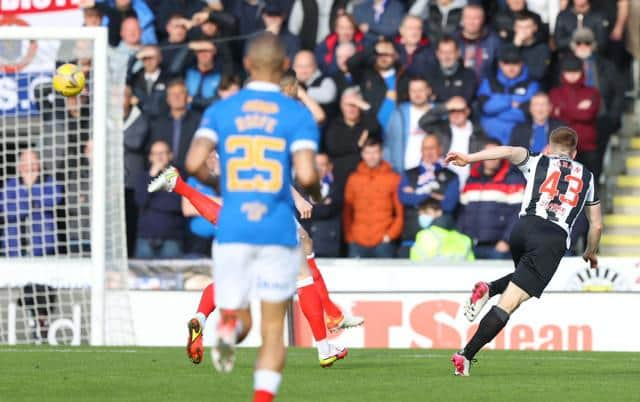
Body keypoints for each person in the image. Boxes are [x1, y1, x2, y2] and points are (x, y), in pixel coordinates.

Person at [179, 32, 328, 400]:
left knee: (239, 315)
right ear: (282, 68)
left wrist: (224, 181)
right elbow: (308, 175)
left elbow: (194, 163)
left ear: (247, 65)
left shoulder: (221, 110)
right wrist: (318, 192)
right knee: (273, 329)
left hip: (233, 227)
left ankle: (228, 328)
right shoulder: (295, 113)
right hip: (276, 229)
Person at [446, 127, 602, 376]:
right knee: (510, 302)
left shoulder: (538, 160)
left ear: (549, 148)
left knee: (520, 281)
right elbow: (596, 224)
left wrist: (468, 158)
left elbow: (507, 151)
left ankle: (490, 288)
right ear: (575, 152)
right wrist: (592, 251)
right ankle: (465, 355)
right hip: (552, 237)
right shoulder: (588, 176)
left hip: (522, 228)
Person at [457, 139, 526, 259]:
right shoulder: (471, 179)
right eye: (488, 154)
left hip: (498, 248)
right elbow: (462, 213)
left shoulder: (513, 180)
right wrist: (461, 237)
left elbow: (518, 215)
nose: (491, 158)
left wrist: (506, 240)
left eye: (496, 154)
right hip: (470, 246)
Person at [570, 28, 625, 164]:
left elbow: (618, 93)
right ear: (573, 45)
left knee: (595, 164)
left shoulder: (606, 65)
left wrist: (612, 118)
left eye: (587, 42)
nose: (582, 46)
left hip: (600, 120)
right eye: (578, 42)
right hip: (572, 122)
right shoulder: (563, 65)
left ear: (593, 45)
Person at [397, 134, 459, 256]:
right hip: (411, 239)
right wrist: (432, 195)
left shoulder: (451, 176)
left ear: (440, 149)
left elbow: (449, 204)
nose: (429, 152)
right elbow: (404, 198)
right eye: (426, 148)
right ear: (421, 150)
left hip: (440, 243)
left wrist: (417, 193)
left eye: (432, 148)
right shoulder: (409, 174)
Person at [343, 137, 403, 258]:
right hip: (357, 241)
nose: (371, 157)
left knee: (385, 277)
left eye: (375, 152)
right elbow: (347, 211)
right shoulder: (353, 178)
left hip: (383, 241)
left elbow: (400, 213)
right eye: (368, 153)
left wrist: (390, 235)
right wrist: (350, 236)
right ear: (362, 154)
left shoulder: (393, 178)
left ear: (381, 153)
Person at [0, 149, 63, 257]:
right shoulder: (11, 184)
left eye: (33, 163)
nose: (29, 167)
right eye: (25, 163)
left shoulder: (49, 181)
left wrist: (31, 188)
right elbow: (4, 208)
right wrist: (32, 204)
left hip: (43, 247)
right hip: (13, 247)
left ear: (39, 165)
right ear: (19, 166)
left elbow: (54, 199)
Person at [549, 55, 602, 182]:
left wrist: (563, 110)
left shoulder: (592, 92)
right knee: (563, 186)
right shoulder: (555, 93)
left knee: (589, 186)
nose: (572, 75)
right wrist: (578, 110)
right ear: (563, 73)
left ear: (582, 72)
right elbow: (553, 116)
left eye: (575, 71)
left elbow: (588, 115)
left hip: (588, 147)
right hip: (562, 149)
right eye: (568, 71)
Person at [477, 45, 539, 146]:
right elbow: (486, 108)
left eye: (515, 63)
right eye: (506, 63)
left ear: (522, 64)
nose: (511, 68)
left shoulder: (531, 84)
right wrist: (510, 101)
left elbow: (527, 113)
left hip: (519, 142)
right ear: (500, 64)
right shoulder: (489, 81)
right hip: (490, 141)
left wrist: (496, 108)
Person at [323, 88, 381, 194]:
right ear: (341, 106)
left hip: (363, 179)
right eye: (348, 105)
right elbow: (333, 147)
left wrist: (362, 104)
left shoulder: (366, 123)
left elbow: (375, 128)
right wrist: (357, 145)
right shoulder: (334, 125)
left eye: (355, 105)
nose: (351, 109)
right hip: (340, 179)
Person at [418, 96, 487, 186]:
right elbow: (423, 122)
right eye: (452, 110)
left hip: (468, 183)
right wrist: (445, 107)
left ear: (467, 111)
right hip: (443, 182)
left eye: (459, 110)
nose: (455, 114)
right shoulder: (441, 129)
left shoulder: (478, 133)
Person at [134, 140, 185, 259]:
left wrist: (152, 201)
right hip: (145, 238)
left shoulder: (179, 176)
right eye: (155, 154)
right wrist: (151, 175)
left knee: (171, 277)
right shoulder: (143, 177)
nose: (159, 157)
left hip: (171, 239)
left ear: (170, 155)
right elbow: (140, 200)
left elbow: (177, 204)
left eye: (162, 153)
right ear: (150, 157)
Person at [346, 37, 400, 130]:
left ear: (394, 56)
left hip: (395, 131)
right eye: (380, 54)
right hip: (370, 130)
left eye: (387, 54)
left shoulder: (402, 76)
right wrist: (373, 49)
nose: (383, 57)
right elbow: (351, 63)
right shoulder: (366, 74)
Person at [150, 79, 202, 174]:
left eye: (180, 93)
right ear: (167, 99)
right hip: (164, 175)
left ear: (187, 97)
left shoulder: (199, 121)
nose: (176, 97)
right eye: (172, 94)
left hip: (192, 175)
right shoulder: (159, 123)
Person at [385, 75, 434, 173]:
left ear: (428, 91)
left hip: (433, 173)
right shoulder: (398, 114)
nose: (417, 94)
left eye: (420, 90)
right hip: (404, 173)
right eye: (413, 90)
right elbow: (388, 144)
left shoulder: (439, 113)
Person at [123, 85, 150, 257]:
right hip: (112, 184)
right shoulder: (106, 119)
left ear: (131, 99)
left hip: (131, 184)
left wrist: (112, 134)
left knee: (130, 224)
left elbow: (135, 142)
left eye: (123, 96)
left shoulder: (141, 119)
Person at [410, 198, 474, 262]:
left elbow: (415, 262)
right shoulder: (464, 239)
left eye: (427, 213)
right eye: (420, 214)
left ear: (439, 212)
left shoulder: (424, 235)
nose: (423, 217)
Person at [454, 4, 502, 81]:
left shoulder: (494, 41)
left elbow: (501, 69)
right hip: (458, 88)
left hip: (485, 88)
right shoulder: (453, 40)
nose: (471, 22)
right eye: (468, 17)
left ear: (483, 19)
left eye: (476, 18)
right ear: (462, 19)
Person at [309, 153, 343, 257]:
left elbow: (327, 211)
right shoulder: (301, 187)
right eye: (316, 164)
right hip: (306, 243)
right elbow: (301, 212)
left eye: (322, 164)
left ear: (329, 167)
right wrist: (323, 203)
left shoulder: (338, 187)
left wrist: (313, 204)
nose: (319, 168)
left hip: (329, 244)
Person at [426, 35, 477, 105]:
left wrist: (437, 98)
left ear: (458, 53)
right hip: (437, 114)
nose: (447, 56)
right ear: (437, 54)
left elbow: (465, 101)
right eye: (443, 52)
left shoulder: (469, 75)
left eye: (450, 52)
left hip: (460, 113)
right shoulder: (429, 75)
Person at [292, 50, 338, 119]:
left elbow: (328, 96)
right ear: (293, 67)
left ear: (315, 66)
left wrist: (302, 92)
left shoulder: (326, 80)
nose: (303, 70)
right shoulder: (289, 82)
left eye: (308, 66)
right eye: (299, 66)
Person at [128, 45, 170, 119]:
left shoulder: (169, 78)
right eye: (145, 58)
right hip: (139, 123)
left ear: (160, 58)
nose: (148, 61)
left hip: (162, 121)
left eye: (152, 58)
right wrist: (135, 57)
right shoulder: (135, 79)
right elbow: (121, 76)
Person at [511, 12, 551, 82]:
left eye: (527, 27)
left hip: (534, 88)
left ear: (535, 28)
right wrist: (515, 47)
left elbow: (539, 74)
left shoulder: (543, 49)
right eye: (520, 27)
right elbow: (504, 73)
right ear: (514, 28)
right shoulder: (507, 47)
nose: (523, 31)